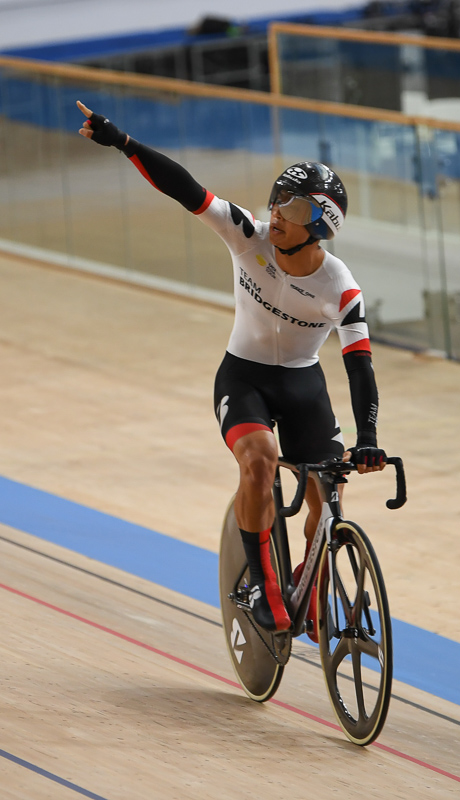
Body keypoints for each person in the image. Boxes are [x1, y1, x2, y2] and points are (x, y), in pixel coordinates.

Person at [76, 100, 386, 637]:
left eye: (290, 210)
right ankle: (265, 586)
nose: (275, 215)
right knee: (260, 458)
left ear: (320, 225)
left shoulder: (341, 287)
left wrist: (370, 436)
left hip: (302, 385)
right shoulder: (248, 235)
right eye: (276, 203)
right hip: (244, 378)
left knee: (329, 498)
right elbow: (186, 188)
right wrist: (123, 142)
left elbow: (360, 368)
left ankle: (307, 582)